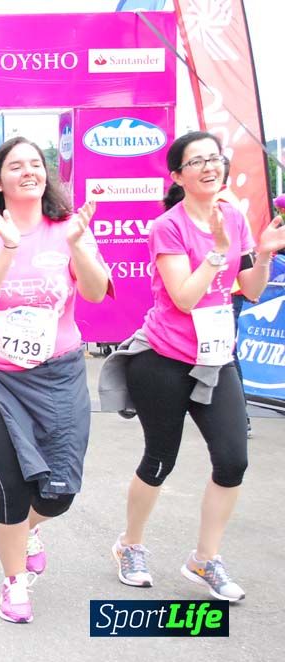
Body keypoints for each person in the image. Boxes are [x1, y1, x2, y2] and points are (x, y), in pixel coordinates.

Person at [104, 131, 285, 602]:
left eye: (214, 158)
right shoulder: (168, 226)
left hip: (216, 357)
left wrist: (262, 252)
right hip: (163, 358)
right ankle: (131, 545)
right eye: (197, 160)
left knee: (233, 460)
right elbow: (184, 297)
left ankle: (205, 558)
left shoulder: (233, 217)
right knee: (160, 461)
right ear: (178, 175)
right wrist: (214, 252)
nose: (209, 166)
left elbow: (250, 286)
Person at [0, 137, 111, 623]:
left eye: (36, 164)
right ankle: (14, 581)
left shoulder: (69, 228)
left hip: (59, 372)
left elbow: (95, 289)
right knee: (12, 488)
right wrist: (7, 246)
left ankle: (28, 529)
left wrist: (78, 248)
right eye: (15, 166)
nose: (29, 172)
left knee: (59, 492)